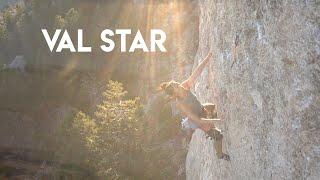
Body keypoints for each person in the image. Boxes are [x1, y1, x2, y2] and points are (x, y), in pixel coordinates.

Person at [159, 53, 230, 161]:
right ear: (174, 95)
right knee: (218, 135)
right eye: (177, 87)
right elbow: (198, 120)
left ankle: (210, 124)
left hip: (200, 109)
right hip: (197, 120)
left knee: (211, 106)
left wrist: (207, 58)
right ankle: (220, 155)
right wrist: (219, 120)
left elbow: (196, 73)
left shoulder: (184, 86)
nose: (179, 86)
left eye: (177, 84)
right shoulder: (181, 104)